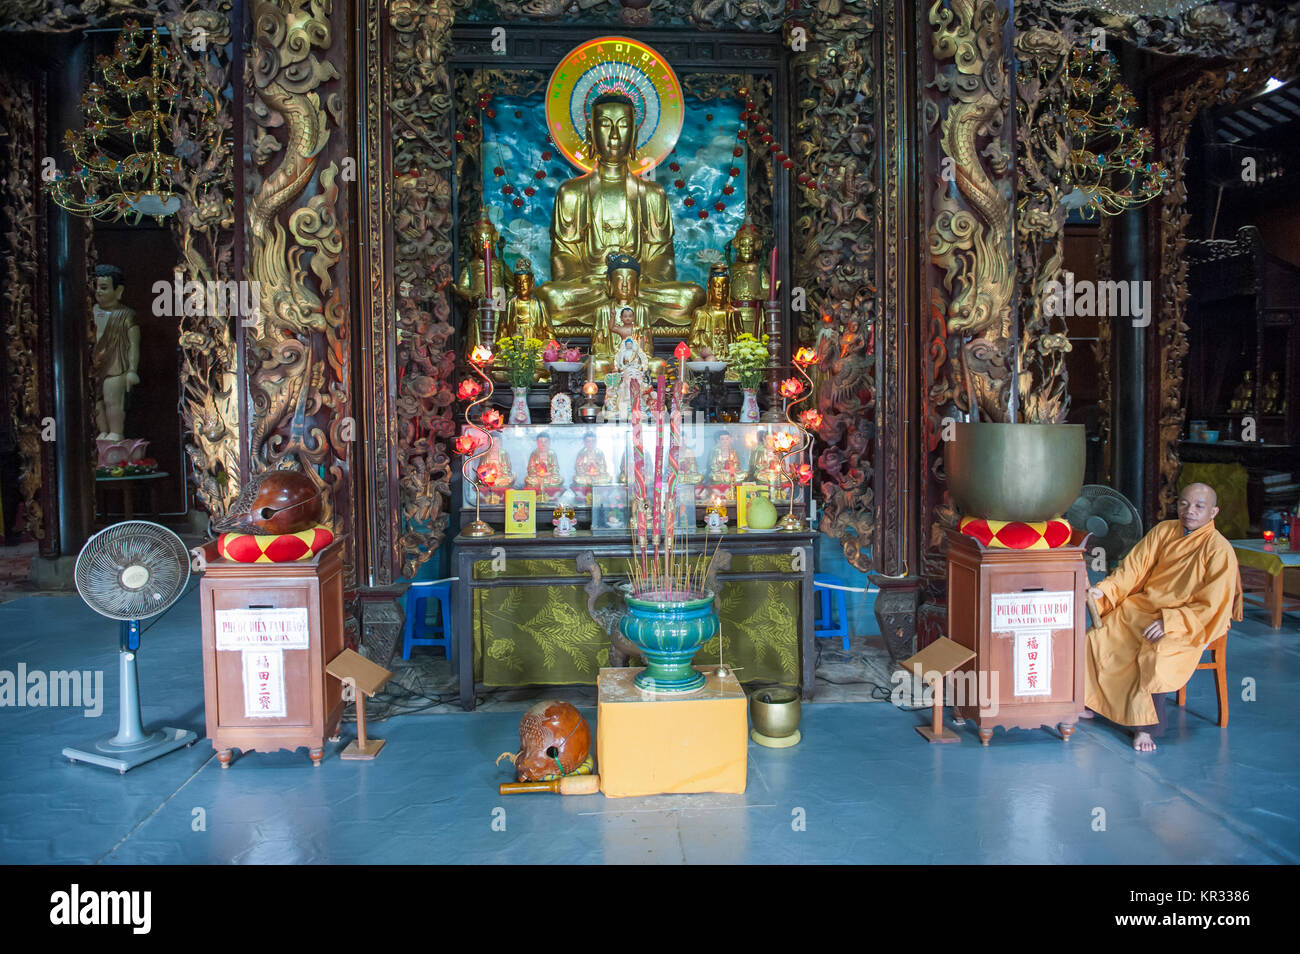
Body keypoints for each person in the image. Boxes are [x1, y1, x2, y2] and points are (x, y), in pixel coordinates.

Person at [1084, 482, 1242, 752]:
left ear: (1213, 512)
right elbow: (1132, 569)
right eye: (1183, 503)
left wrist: (1171, 622)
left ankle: (1145, 727)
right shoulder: (1164, 531)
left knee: (1157, 653)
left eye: (1198, 506)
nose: (1189, 511)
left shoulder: (1219, 549)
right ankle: (1091, 702)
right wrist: (1104, 590)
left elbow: (1214, 604)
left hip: (1188, 620)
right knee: (1099, 634)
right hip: (1144, 607)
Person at [91, 264, 141, 441]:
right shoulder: (91, 313)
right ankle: (102, 431)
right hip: (95, 367)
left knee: (113, 402)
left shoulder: (125, 315)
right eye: (95, 287)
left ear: (118, 290)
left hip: (116, 366)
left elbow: (133, 344)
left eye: (104, 288)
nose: (99, 292)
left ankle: (115, 432)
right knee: (96, 403)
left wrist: (132, 370)